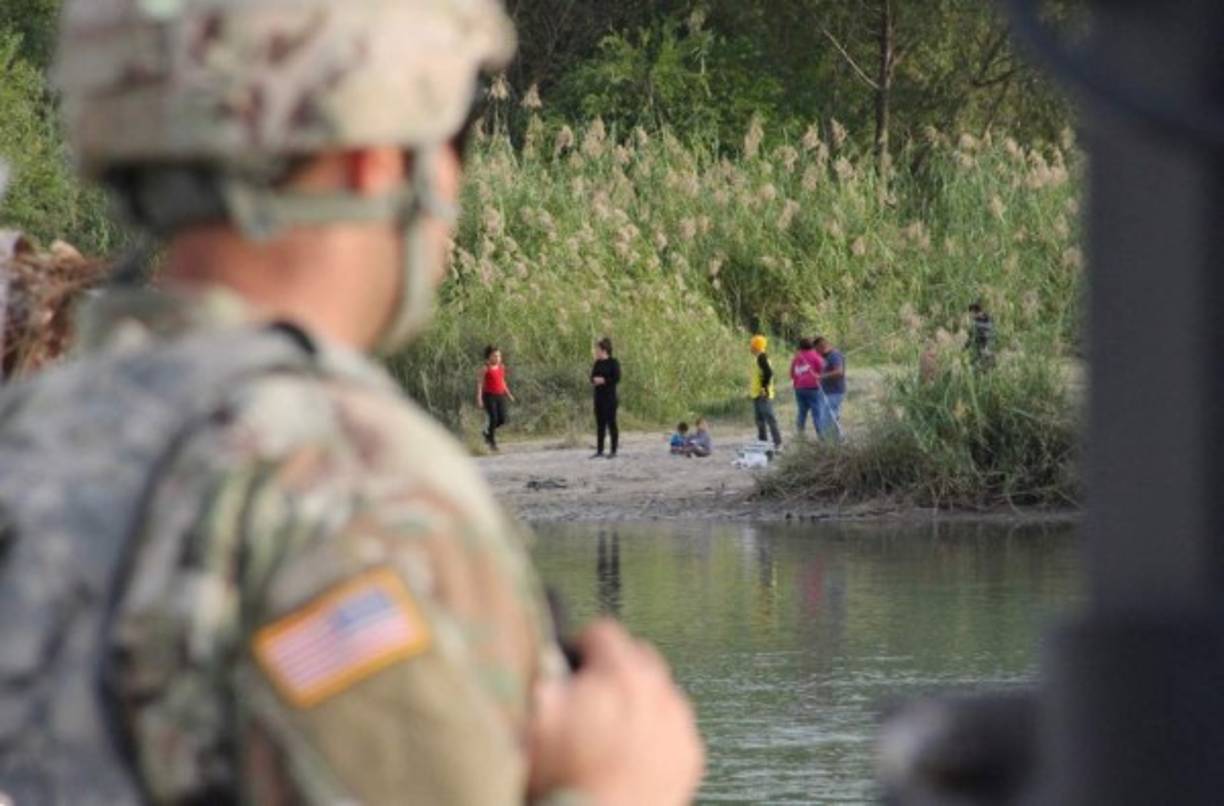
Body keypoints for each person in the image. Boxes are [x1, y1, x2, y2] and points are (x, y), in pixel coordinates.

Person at [0, 2, 704, 805]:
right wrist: (620, 781)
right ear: (371, 159)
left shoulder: (30, 435)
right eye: (453, 137)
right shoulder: (351, 482)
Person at [477, 344, 515, 451]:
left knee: (502, 419)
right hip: (489, 396)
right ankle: (492, 443)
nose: (498, 358)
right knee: (493, 418)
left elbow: (503, 382)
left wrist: (509, 394)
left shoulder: (501, 367)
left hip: (500, 395)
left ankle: (486, 432)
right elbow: (479, 383)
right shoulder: (485, 368)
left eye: (499, 356)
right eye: (495, 356)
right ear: (489, 357)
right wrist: (479, 398)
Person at [749, 334, 782, 449]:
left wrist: (764, 388)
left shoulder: (762, 357)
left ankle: (777, 443)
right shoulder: (759, 357)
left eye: (752, 345)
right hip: (757, 394)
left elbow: (768, 373)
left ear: (756, 346)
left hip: (763, 394)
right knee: (760, 420)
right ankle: (762, 442)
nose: (750, 347)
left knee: (769, 418)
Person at [790, 337, 827, 437]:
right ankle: (821, 437)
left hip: (799, 388)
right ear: (812, 346)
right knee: (817, 413)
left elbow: (792, 374)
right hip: (813, 388)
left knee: (801, 412)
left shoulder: (797, 357)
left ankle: (800, 436)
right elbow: (822, 370)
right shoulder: (815, 356)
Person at [591, 336, 621, 459]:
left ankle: (613, 450)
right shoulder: (597, 363)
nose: (595, 351)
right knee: (600, 424)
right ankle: (600, 450)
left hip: (610, 398)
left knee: (611, 423)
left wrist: (604, 380)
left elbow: (617, 378)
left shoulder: (613, 362)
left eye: (597, 349)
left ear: (604, 350)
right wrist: (594, 380)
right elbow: (592, 377)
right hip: (599, 397)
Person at [816, 335, 847, 440]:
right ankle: (837, 440)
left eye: (817, 350)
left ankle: (833, 443)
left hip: (835, 392)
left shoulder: (834, 355)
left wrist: (822, 376)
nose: (816, 353)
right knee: (828, 419)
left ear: (821, 347)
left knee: (827, 420)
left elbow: (839, 372)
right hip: (827, 392)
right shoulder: (826, 356)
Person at [966, 301, 996, 368]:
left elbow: (970, 339)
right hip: (991, 352)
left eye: (970, 313)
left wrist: (964, 349)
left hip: (983, 353)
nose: (970, 316)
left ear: (974, 311)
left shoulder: (976, 324)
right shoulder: (989, 319)